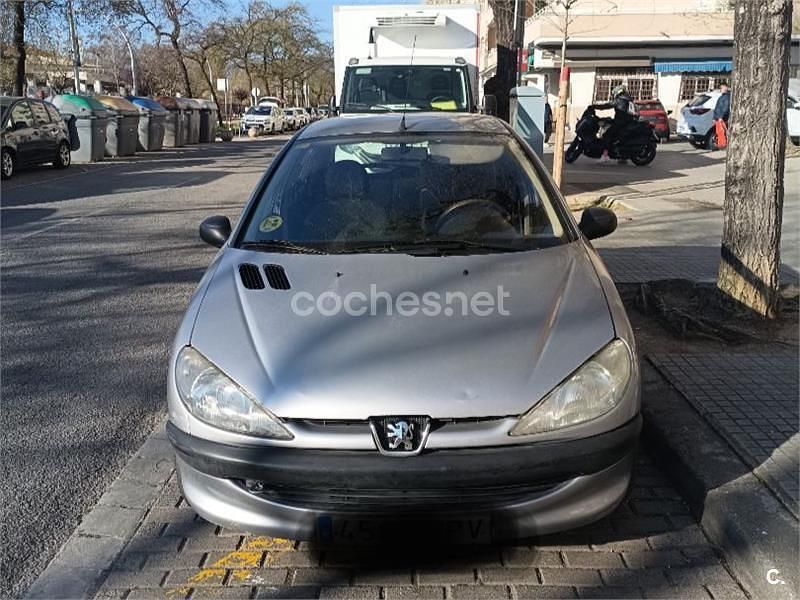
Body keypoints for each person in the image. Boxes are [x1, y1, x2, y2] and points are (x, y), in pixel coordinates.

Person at [591, 84, 636, 160]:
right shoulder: (629, 100)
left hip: (621, 122)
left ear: (618, 92)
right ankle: (622, 158)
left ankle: (605, 155)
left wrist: (595, 106)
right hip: (628, 121)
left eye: (615, 93)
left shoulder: (620, 100)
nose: (614, 95)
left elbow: (607, 105)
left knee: (607, 135)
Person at [713, 82, 731, 149]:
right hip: (718, 118)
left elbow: (725, 107)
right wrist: (714, 117)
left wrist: (721, 116)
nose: (721, 89)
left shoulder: (727, 96)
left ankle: (724, 144)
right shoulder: (721, 97)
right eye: (720, 88)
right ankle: (721, 144)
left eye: (722, 87)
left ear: (726, 87)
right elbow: (717, 107)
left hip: (723, 118)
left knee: (723, 132)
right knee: (719, 132)